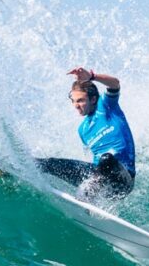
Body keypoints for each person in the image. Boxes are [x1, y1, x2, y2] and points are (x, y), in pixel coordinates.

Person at [37, 67, 136, 201]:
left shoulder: (106, 107)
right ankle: (13, 170)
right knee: (49, 163)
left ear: (93, 99)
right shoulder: (83, 129)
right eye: (73, 101)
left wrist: (91, 76)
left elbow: (114, 84)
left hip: (122, 180)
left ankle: (86, 196)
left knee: (106, 160)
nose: (76, 105)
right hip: (98, 176)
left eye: (80, 100)